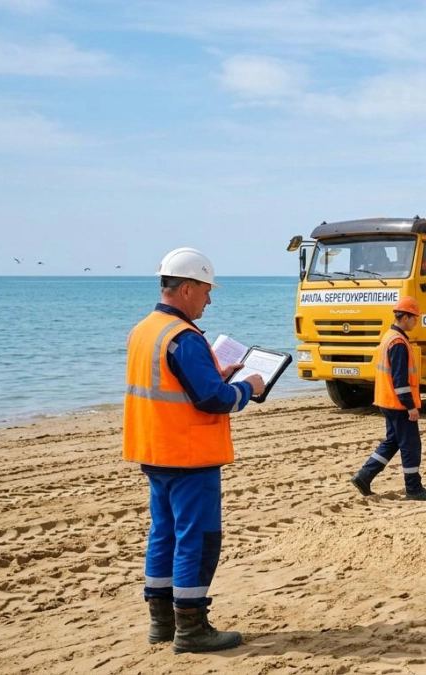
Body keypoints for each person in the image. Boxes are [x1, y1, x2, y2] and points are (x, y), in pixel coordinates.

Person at [123, 248, 265, 653]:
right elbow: (212, 401)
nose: (209, 299)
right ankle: (191, 627)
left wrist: (216, 376)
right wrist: (246, 388)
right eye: (205, 290)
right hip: (189, 454)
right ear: (186, 288)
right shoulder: (183, 338)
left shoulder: (144, 330)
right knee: (197, 539)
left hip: (152, 449)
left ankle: (161, 622)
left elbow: (171, 385)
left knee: (163, 533)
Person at [350, 297, 426, 501]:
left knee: (392, 442)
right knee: (411, 445)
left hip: (386, 401)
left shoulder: (388, 336)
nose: (416, 322)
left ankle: (364, 476)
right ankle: (413, 488)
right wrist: (410, 406)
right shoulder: (398, 342)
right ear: (405, 317)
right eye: (414, 318)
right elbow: (400, 380)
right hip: (398, 403)